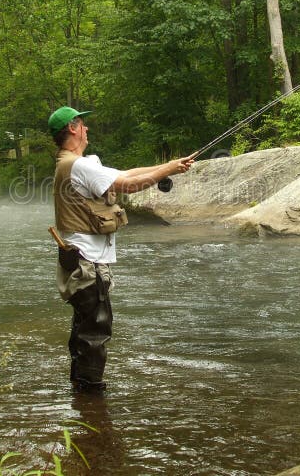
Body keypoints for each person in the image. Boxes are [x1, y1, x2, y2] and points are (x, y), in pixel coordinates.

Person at [49, 106, 194, 393]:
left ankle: (81, 392)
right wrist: (170, 169)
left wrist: (167, 165)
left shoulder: (73, 164)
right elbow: (128, 185)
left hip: (79, 262)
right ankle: (91, 394)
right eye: (84, 125)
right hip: (86, 263)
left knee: (84, 328)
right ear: (74, 128)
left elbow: (125, 173)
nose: (88, 129)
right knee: (95, 331)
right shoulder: (78, 165)